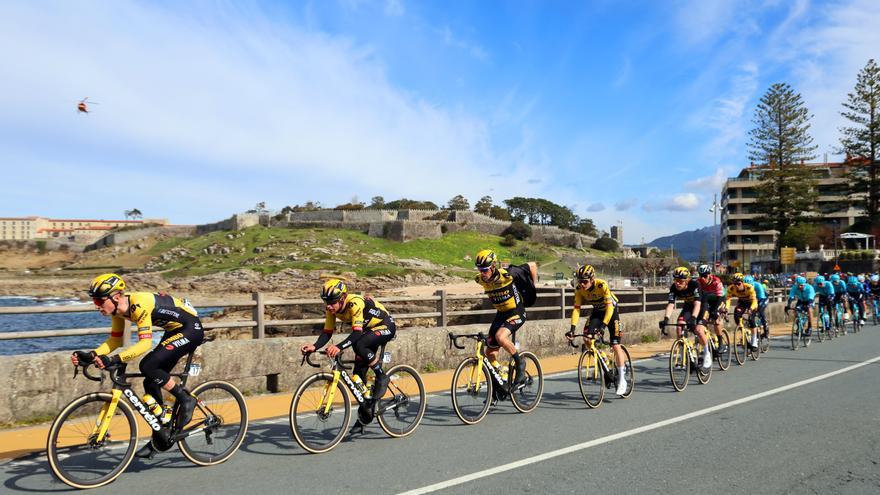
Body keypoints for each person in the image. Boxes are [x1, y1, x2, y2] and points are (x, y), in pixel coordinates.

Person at [71, 274, 203, 443]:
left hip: (190, 329)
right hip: (173, 331)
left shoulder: (138, 304)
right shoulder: (118, 311)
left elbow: (145, 344)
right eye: (95, 301)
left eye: (99, 301)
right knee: (150, 382)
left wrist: (114, 359)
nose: (97, 306)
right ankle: (162, 436)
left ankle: (186, 399)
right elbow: (115, 340)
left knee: (148, 366)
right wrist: (92, 355)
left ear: (117, 296)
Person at [300, 278, 396, 434]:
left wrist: (338, 347)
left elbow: (357, 333)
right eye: (326, 302)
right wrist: (314, 346)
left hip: (385, 325)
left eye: (332, 301)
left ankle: (381, 375)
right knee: (358, 377)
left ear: (343, 297)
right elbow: (327, 333)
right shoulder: (331, 309)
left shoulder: (354, 303)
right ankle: (365, 415)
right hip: (367, 330)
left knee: (359, 344)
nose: (329, 306)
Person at [472, 249, 535, 392]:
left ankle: (520, 364)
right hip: (501, 314)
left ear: (493, 266)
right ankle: (502, 374)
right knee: (489, 353)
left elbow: (532, 266)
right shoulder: (479, 279)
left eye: (485, 270)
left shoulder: (507, 274)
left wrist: (532, 288)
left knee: (500, 337)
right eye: (479, 269)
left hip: (516, 312)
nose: (482, 273)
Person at [566, 264, 627, 396]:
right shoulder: (579, 289)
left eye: (585, 281)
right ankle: (603, 358)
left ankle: (622, 378)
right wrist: (572, 329)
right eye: (579, 281)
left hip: (611, 312)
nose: (582, 284)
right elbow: (577, 308)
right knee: (587, 339)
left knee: (616, 344)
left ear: (592, 279)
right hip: (597, 312)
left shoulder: (602, 285)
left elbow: (609, 308)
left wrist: (603, 327)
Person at [661, 267, 711, 370]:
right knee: (680, 327)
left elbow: (697, 304)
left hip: (702, 305)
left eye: (680, 281)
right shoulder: (673, 288)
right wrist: (666, 319)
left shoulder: (694, 285)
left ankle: (707, 353)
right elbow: (671, 305)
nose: (677, 283)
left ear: (687, 280)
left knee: (698, 329)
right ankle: (685, 355)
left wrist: (693, 318)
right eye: (675, 280)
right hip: (688, 306)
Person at [696, 264, 728, 355]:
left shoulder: (716, 281)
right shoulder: (698, 282)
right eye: (701, 276)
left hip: (719, 300)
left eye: (705, 276)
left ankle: (721, 343)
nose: (703, 278)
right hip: (707, 301)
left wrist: (715, 311)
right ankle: (707, 342)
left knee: (716, 320)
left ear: (710, 275)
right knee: (701, 320)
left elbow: (719, 298)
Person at [725, 273, 760, 349]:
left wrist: (751, 309)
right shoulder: (731, 288)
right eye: (734, 284)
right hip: (742, 303)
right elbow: (728, 299)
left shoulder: (749, 287)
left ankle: (754, 341)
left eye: (738, 283)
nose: (736, 286)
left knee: (751, 319)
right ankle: (743, 332)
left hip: (751, 303)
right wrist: (726, 309)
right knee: (736, 315)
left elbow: (754, 300)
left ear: (742, 283)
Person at [744, 275, 769, 340]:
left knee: (760, 311)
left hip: (763, 299)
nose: (748, 287)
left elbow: (761, 298)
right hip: (753, 300)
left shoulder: (758, 286)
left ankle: (766, 328)